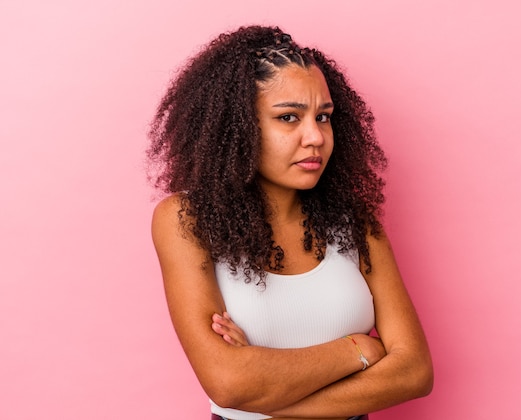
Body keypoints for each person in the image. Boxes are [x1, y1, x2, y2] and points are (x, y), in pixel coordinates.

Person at [148, 25, 433, 420]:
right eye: (288, 117)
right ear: (238, 127)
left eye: (324, 117)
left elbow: (415, 372)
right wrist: (360, 350)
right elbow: (228, 383)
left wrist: (266, 398)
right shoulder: (186, 220)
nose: (315, 136)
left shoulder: (354, 224)